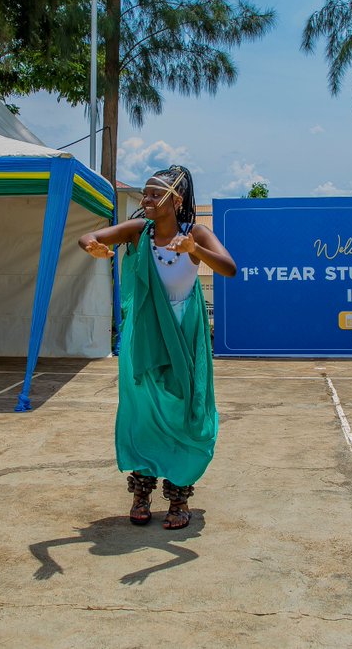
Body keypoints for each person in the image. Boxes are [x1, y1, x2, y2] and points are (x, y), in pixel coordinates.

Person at [79, 165, 236, 529]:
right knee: (142, 413)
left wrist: (195, 249)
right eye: (146, 194)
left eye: (154, 195)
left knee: (185, 414)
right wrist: (93, 246)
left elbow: (229, 268)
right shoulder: (138, 233)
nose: (146, 200)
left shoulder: (195, 233)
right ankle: (141, 493)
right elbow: (89, 236)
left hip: (184, 336)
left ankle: (179, 497)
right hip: (144, 338)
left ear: (175, 201)